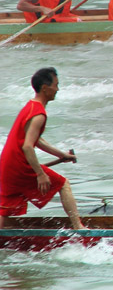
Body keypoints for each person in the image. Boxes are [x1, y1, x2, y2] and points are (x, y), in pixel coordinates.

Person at [0, 68, 84, 230]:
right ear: (45, 88)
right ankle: (78, 227)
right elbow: (27, 146)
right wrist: (40, 173)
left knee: (5, 209)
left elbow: (36, 140)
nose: (57, 90)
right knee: (63, 184)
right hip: (19, 165)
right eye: (56, 85)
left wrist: (62, 155)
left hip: (7, 164)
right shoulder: (39, 114)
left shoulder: (31, 106)